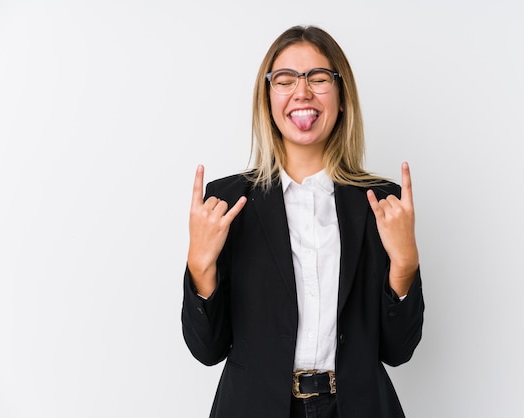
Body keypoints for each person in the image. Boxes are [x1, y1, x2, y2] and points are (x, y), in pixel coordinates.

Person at [181, 25, 425, 418]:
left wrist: (405, 264)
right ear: (268, 98)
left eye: (318, 78)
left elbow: (399, 351)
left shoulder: (383, 203)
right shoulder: (226, 203)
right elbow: (206, 350)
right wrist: (200, 265)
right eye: (285, 79)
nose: (302, 91)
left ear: (342, 96)